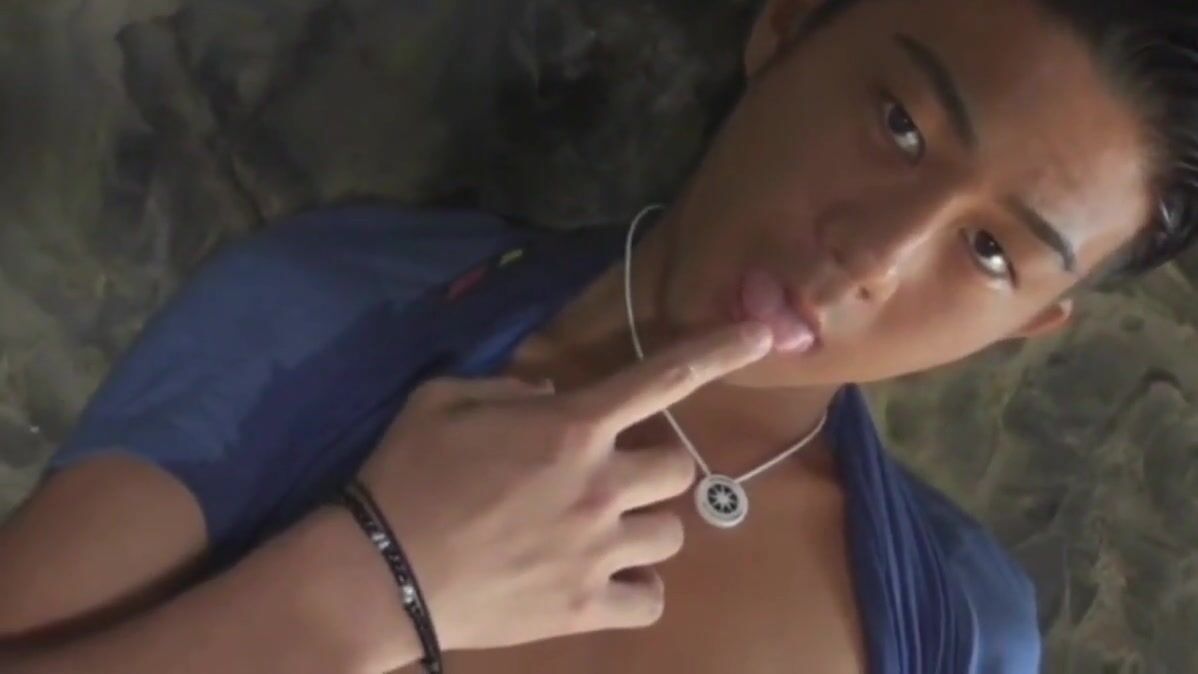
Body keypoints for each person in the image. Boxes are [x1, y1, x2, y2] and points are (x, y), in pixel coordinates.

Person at [2, 0, 1196, 671]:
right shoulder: (330, 314)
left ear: (1030, 323)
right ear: (785, 27)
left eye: (988, 251)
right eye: (899, 125)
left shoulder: (959, 624)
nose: (873, 251)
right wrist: (371, 584)